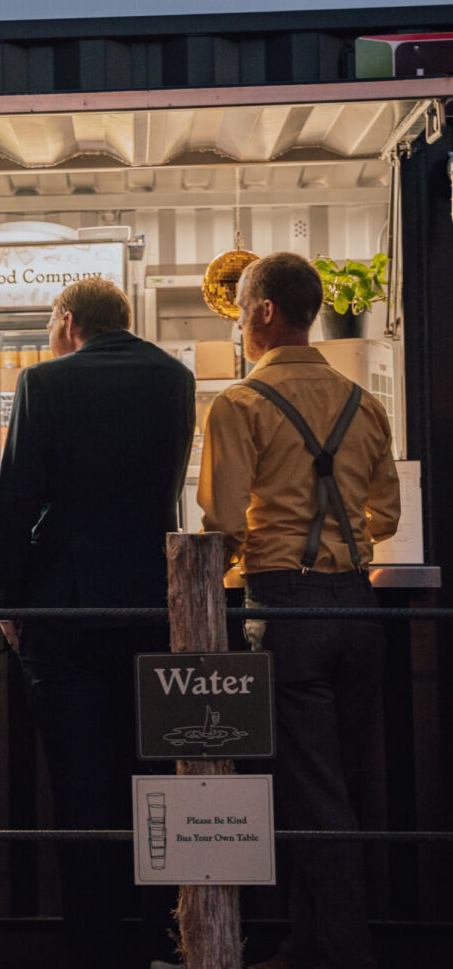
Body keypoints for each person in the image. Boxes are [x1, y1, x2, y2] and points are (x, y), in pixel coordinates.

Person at [198, 251, 400, 969]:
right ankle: (307, 942)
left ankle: (346, 954)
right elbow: (386, 515)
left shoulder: (239, 403)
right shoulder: (365, 402)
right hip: (359, 613)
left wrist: (225, 569)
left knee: (315, 799)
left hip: (285, 612)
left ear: (263, 313)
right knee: (328, 786)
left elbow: (220, 523)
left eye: (241, 315)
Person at [0, 276, 195, 969]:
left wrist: (5, 604)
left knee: (83, 795)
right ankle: (161, 942)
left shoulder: (45, 384)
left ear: (69, 322)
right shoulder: (175, 379)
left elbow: (17, 502)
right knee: (155, 787)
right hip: (155, 606)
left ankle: (96, 951)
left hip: (67, 614)